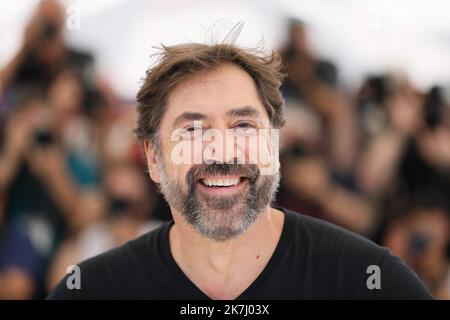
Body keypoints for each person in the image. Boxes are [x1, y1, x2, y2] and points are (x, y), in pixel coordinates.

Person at [47, 34, 433, 299]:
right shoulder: (94, 290)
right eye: (194, 129)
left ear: (275, 144)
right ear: (152, 157)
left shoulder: (367, 281)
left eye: (243, 126)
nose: (222, 151)